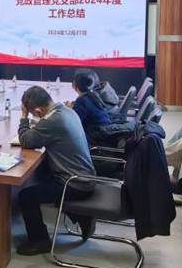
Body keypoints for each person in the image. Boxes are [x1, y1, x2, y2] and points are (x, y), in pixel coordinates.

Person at [16, 86, 96, 256]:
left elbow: (26, 140)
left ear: (38, 111)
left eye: (33, 113)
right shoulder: (67, 111)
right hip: (85, 176)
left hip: (73, 183)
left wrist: (24, 117)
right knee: (41, 173)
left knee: (26, 196)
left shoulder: (52, 122)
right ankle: (82, 216)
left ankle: (39, 241)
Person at [64, 69, 112, 146]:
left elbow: (72, 123)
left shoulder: (83, 101)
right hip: (103, 135)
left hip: (95, 140)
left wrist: (67, 110)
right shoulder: (93, 95)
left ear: (75, 85)